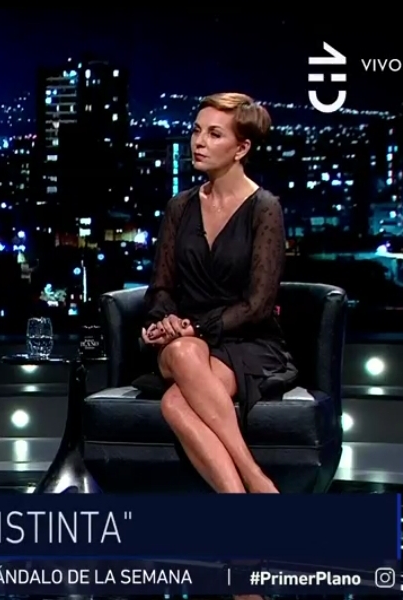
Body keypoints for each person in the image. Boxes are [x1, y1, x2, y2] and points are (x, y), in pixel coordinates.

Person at [138, 93, 297, 495]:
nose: (199, 142)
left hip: (246, 340)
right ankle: (257, 483)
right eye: (196, 131)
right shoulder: (179, 207)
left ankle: (241, 496)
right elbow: (161, 287)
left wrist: (195, 327)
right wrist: (165, 320)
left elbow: (258, 305)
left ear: (241, 149)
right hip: (185, 342)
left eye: (214, 134)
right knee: (184, 351)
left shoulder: (264, 208)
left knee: (175, 403)